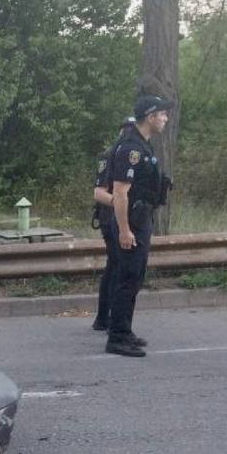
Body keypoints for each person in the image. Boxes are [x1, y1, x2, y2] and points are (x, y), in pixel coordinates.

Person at [105, 94, 174, 357]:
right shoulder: (131, 149)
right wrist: (124, 230)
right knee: (128, 277)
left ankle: (125, 329)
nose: (166, 119)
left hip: (140, 219)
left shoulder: (143, 146)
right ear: (150, 116)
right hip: (131, 221)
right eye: (162, 114)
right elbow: (120, 193)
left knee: (135, 276)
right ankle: (117, 337)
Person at [91, 117, 137, 332]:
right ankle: (107, 319)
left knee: (115, 266)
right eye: (127, 129)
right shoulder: (110, 156)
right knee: (118, 267)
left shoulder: (137, 156)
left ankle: (104, 318)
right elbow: (99, 192)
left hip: (126, 218)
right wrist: (118, 203)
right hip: (111, 218)